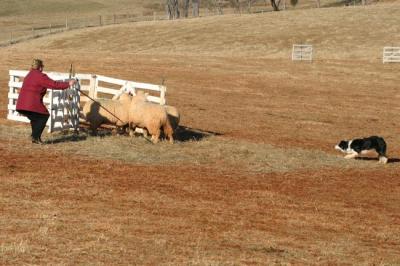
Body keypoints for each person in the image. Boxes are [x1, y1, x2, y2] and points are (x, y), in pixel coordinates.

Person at [16, 59, 76, 144]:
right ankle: (35, 137)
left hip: (21, 105)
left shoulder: (29, 75)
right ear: (40, 67)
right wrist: (68, 84)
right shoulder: (40, 76)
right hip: (31, 104)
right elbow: (54, 84)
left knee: (36, 118)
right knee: (44, 116)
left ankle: (35, 137)